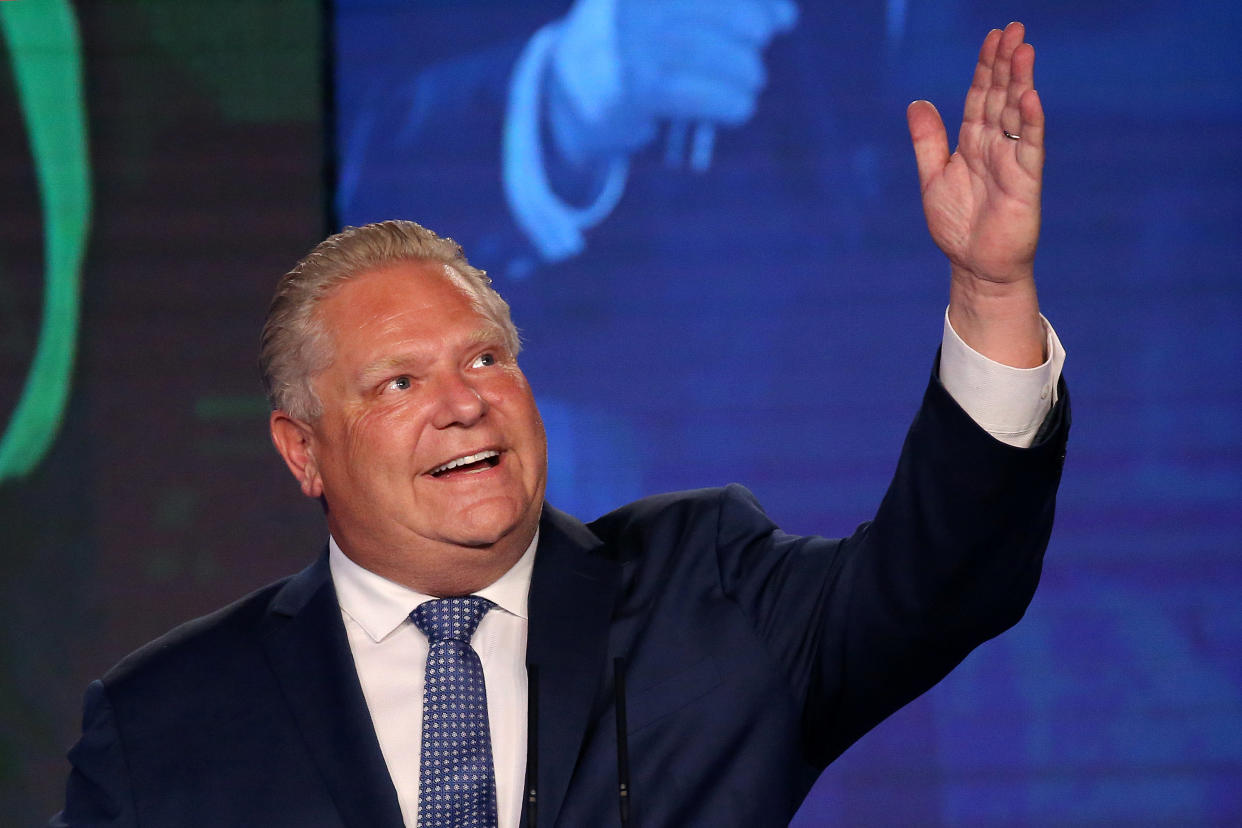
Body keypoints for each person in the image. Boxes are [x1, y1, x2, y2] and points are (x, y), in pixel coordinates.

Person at [51, 22, 1068, 828]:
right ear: (301, 450)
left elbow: (938, 582)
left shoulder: (701, 598)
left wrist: (989, 291)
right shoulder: (166, 721)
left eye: (486, 358)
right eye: (399, 384)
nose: (463, 400)